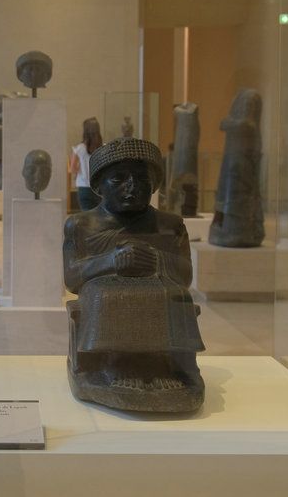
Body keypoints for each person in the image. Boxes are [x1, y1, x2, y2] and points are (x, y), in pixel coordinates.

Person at [62, 137, 204, 413]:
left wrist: (157, 259)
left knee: (176, 295)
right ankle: (116, 364)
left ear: (154, 184)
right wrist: (110, 261)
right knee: (106, 294)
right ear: (99, 186)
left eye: (141, 179)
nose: (132, 186)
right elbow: (72, 278)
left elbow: (185, 276)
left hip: (159, 287)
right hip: (103, 293)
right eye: (118, 179)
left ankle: (165, 366)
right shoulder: (81, 225)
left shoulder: (170, 224)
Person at [68, 117, 103, 210]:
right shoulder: (103, 148)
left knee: (87, 216)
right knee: (100, 216)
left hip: (84, 187)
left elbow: (72, 169)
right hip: (99, 188)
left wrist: (81, 168)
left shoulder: (80, 148)